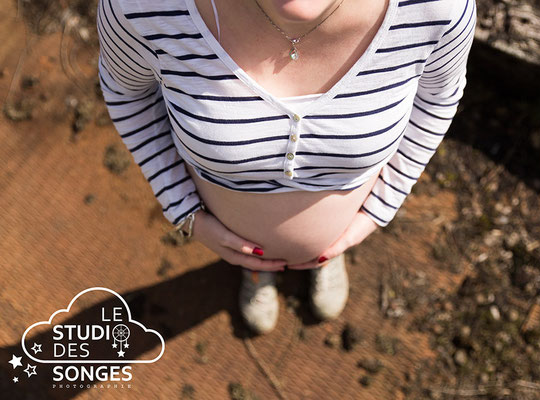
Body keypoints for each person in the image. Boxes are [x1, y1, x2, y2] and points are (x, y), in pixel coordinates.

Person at [96, 0, 477, 334]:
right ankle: (258, 268)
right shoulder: (141, 7)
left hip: (344, 228)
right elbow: (127, 94)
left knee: (324, 249)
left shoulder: (437, 9)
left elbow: (438, 99)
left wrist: (377, 211)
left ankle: (328, 256)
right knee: (259, 261)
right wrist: (182, 208)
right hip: (232, 232)